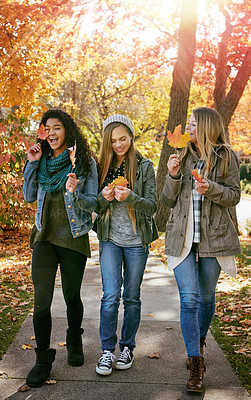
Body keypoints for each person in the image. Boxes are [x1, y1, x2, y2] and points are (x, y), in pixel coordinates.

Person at [162, 107, 241, 392]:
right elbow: (167, 201)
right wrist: (172, 176)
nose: (188, 129)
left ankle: (199, 341)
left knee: (206, 298)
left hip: (214, 238)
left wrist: (212, 189)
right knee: (190, 299)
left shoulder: (225, 156)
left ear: (207, 126)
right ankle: (196, 364)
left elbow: (234, 196)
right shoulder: (181, 154)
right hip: (182, 237)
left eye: (193, 124)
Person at [23, 109, 98, 387]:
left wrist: (75, 191)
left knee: (71, 296)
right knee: (41, 299)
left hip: (73, 237)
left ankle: (74, 337)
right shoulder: (40, 160)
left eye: (57, 127)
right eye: (47, 128)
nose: (51, 133)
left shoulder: (85, 162)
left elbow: (94, 203)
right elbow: (30, 196)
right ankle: (43, 359)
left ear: (67, 130)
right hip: (44, 237)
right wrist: (31, 163)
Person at [94, 114, 158, 376]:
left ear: (131, 136)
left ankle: (127, 347)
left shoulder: (145, 167)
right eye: (113, 140)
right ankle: (107, 351)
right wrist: (103, 197)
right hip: (110, 239)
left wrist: (132, 197)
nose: (119, 144)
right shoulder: (101, 167)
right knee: (110, 297)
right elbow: (93, 204)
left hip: (136, 241)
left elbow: (153, 206)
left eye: (123, 138)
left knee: (131, 298)